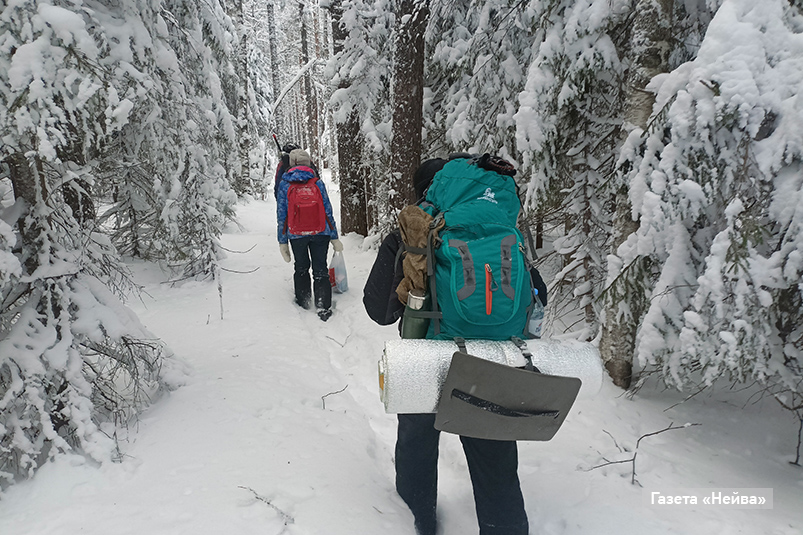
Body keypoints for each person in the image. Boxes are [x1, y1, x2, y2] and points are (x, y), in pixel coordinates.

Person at [363, 157, 540, 535]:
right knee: (496, 465)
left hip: (427, 362)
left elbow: (378, 311)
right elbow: (535, 297)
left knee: (416, 448)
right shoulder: (503, 230)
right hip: (491, 363)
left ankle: (417, 522)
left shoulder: (414, 232)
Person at [276, 149, 342, 321]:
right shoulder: (317, 182)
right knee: (320, 269)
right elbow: (327, 211)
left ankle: (304, 302)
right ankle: (323, 307)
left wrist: (282, 241)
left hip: (296, 235)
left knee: (301, 267)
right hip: (321, 232)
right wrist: (334, 236)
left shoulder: (285, 184)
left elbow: (282, 215)